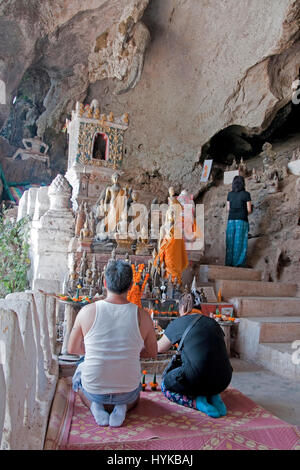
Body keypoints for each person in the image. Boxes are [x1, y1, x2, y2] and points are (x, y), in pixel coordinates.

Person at [68, 260, 157, 427]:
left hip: (94, 391)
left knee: (80, 372)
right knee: (135, 392)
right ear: (131, 286)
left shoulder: (87, 311)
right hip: (128, 394)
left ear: (104, 282)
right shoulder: (143, 316)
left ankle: (96, 406)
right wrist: (130, 351)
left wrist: (96, 351)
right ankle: (121, 407)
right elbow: (152, 352)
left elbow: (72, 348)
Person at [157, 293, 232, 418]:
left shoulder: (180, 322)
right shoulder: (213, 322)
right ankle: (215, 397)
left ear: (182, 308)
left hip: (197, 378)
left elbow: (159, 348)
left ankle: (197, 403)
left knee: (165, 386)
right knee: (207, 369)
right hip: (224, 379)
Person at [225, 175, 252, 267]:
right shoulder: (246, 194)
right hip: (242, 220)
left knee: (230, 242)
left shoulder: (230, 194)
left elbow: (228, 209)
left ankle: (229, 263)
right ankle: (238, 263)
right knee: (240, 242)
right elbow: (249, 210)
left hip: (231, 220)